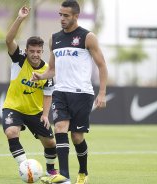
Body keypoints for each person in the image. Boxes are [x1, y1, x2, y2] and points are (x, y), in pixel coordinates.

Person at [32, 0, 108, 183]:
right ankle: (64, 176)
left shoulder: (87, 37)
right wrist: (41, 76)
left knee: (76, 136)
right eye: (60, 15)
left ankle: (83, 172)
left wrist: (102, 93)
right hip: (60, 92)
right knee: (59, 128)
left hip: (82, 93)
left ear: (76, 16)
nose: (62, 19)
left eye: (66, 15)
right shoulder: (54, 38)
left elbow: (102, 66)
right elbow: (52, 69)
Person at [2, 6, 58, 176]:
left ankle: (50, 170)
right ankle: (26, 167)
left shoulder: (48, 71)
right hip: (14, 107)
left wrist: (45, 115)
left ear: (42, 52)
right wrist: (20, 18)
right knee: (11, 132)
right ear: (26, 51)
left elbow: (48, 94)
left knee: (50, 143)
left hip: (36, 112)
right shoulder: (19, 60)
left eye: (38, 51)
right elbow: (8, 40)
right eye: (31, 51)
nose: (34, 54)